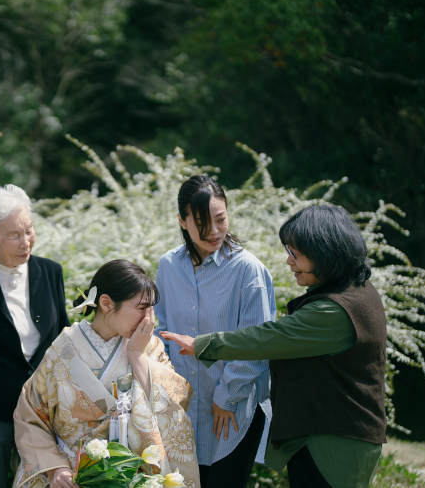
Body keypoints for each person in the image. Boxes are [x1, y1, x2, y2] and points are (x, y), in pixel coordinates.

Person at [161, 205, 387, 488]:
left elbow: (267, 339)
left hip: (333, 441)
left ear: (324, 252)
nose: (289, 262)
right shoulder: (354, 290)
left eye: (295, 253)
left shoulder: (334, 312)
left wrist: (202, 344)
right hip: (332, 435)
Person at [13, 259, 202, 488]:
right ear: (106, 303)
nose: (149, 319)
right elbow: (30, 416)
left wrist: (137, 357)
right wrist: (56, 468)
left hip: (133, 473)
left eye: (151, 309)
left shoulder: (149, 347)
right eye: (142, 308)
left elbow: (173, 409)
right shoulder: (63, 351)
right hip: (73, 472)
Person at [153, 175, 275, 488]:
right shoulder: (168, 265)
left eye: (220, 219)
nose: (213, 231)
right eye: (201, 223)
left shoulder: (249, 271)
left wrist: (226, 396)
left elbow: (257, 345)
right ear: (182, 221)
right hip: (182, 412)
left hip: (232, 411)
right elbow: (160, 333)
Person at [0, 184, 71, 488]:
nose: (26, 242)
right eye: (14, 235)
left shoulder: (51, 272)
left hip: (45, 410)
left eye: (29, 230)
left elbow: (62, 337)